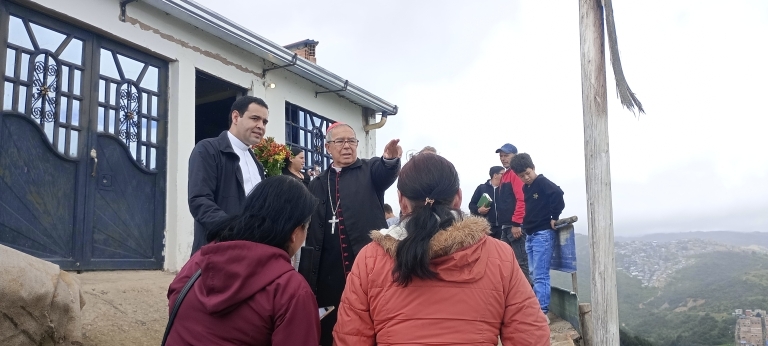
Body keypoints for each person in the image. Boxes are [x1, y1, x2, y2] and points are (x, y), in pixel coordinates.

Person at [333, 154, 550, 345]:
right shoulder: (499, 255)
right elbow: (530, 336)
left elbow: (350, 338)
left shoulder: (370, 258)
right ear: (458, 197)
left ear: (401, 201)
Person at [166, 176, 320, 345]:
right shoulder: (291, 290)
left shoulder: (201, 260)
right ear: (295, 232)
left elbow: (175, 298)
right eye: (306, 228)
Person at [302, 122, 401, 346]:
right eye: (340, 141)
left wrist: (390, 159)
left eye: (352, 141)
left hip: (366, 265)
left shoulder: (370, 170)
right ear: (328, 147)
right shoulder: (317, 183)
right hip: (329, 271)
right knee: (331, 324)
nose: (347, 146)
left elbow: (385, 171)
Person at [188, 96, 268, 255]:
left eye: (264, 122)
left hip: (251, 254)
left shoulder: (257, 164)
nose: (261, 126)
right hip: (217, 253)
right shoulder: (208, 150)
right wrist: (234, 230)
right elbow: (200, 201)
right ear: (236, 117)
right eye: (255, 119)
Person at [509, 153, 565, 319]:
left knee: (540, 274)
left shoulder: (541, 181)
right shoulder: (526, 188)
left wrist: (554, 216)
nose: (526, 177)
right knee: (533, 273)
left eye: (528, 173)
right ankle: (537, 309)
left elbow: (558, 194)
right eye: (522, 176)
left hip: (543, 233)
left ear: (533, 168)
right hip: (531, 233)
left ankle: (542, 312)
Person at [495, 143, 531, 284]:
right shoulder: (505, 176)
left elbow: (522, 199)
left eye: (506, 155)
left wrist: (517, 223)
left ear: (514, 156)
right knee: (504, 260)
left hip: (514, 225)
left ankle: (528, 297)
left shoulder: (516, 174)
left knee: (522, 262)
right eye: (501, 156)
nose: (503, 159)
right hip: (506, 225)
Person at [468, 166, 506, 239]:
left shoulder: (505, 188)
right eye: (503, 174)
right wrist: (479, 210)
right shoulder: (482, 188)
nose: (505, 176)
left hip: (502, 227)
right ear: (495, 175)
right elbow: (471, 205)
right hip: (486, 227)